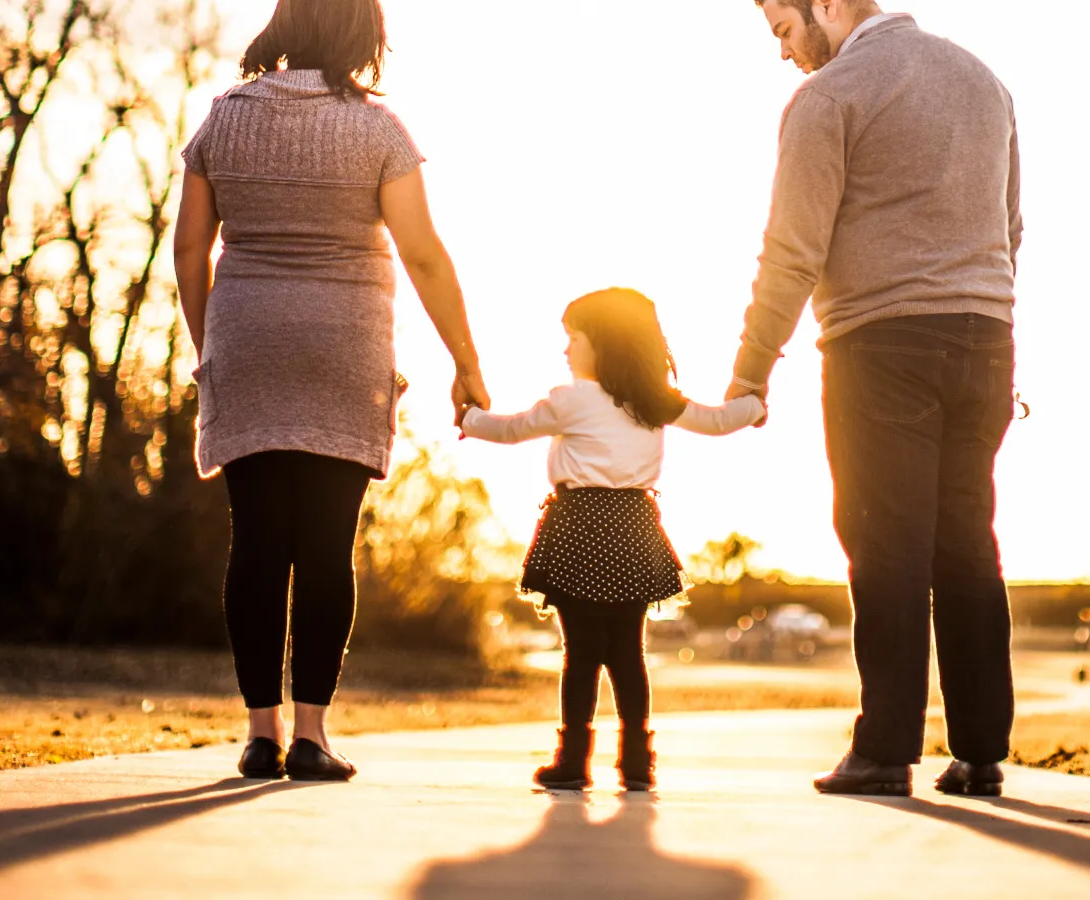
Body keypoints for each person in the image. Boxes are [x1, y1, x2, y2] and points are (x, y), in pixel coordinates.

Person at [172, 0, 490, 782]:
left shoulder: (224, 118)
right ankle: (312, 735)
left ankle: (259, 733)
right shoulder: (379, 130)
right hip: (344, 351)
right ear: (360, 34)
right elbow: (423, 256)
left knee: (254, 542)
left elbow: (189, 249)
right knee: (324, 546)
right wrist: (466, 361)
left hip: (246, 342)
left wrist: (212, 346)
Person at [730, 1, 1023, 797]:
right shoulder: (984, 82)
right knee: (967, 542)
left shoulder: (831, 97)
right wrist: (986, 320)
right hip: (985, 339)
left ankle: (885, 750)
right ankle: (981, 754)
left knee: (884, 543)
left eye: (785, 32)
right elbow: (1010, 227)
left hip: (880, 343)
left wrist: (752, 370)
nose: (786, 55)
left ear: (825, 5)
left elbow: (792, 249)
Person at [460, 288, 766, 791]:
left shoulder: (572, 398)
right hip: (633, 530)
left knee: (579, 653)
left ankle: (574, 760)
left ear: (600, 342)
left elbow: (512, 429)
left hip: (579, 527)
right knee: (629, 652)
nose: (565, 350)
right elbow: (716, 421)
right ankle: (637, 763)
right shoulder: (652, 399)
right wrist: (753, 407)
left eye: (572, 338)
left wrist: (468, 418)